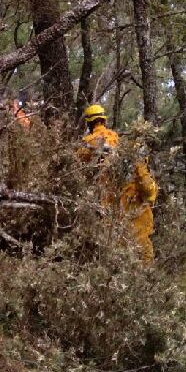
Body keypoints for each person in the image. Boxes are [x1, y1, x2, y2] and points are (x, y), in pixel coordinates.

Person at [78, 104, 158, 262]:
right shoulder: (121, 143)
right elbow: (148, 190)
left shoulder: (86, 146)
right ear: (104, 120)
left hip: (109, 212)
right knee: (143, 257)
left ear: (88, 123)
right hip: (135, 211)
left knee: (114, 255)